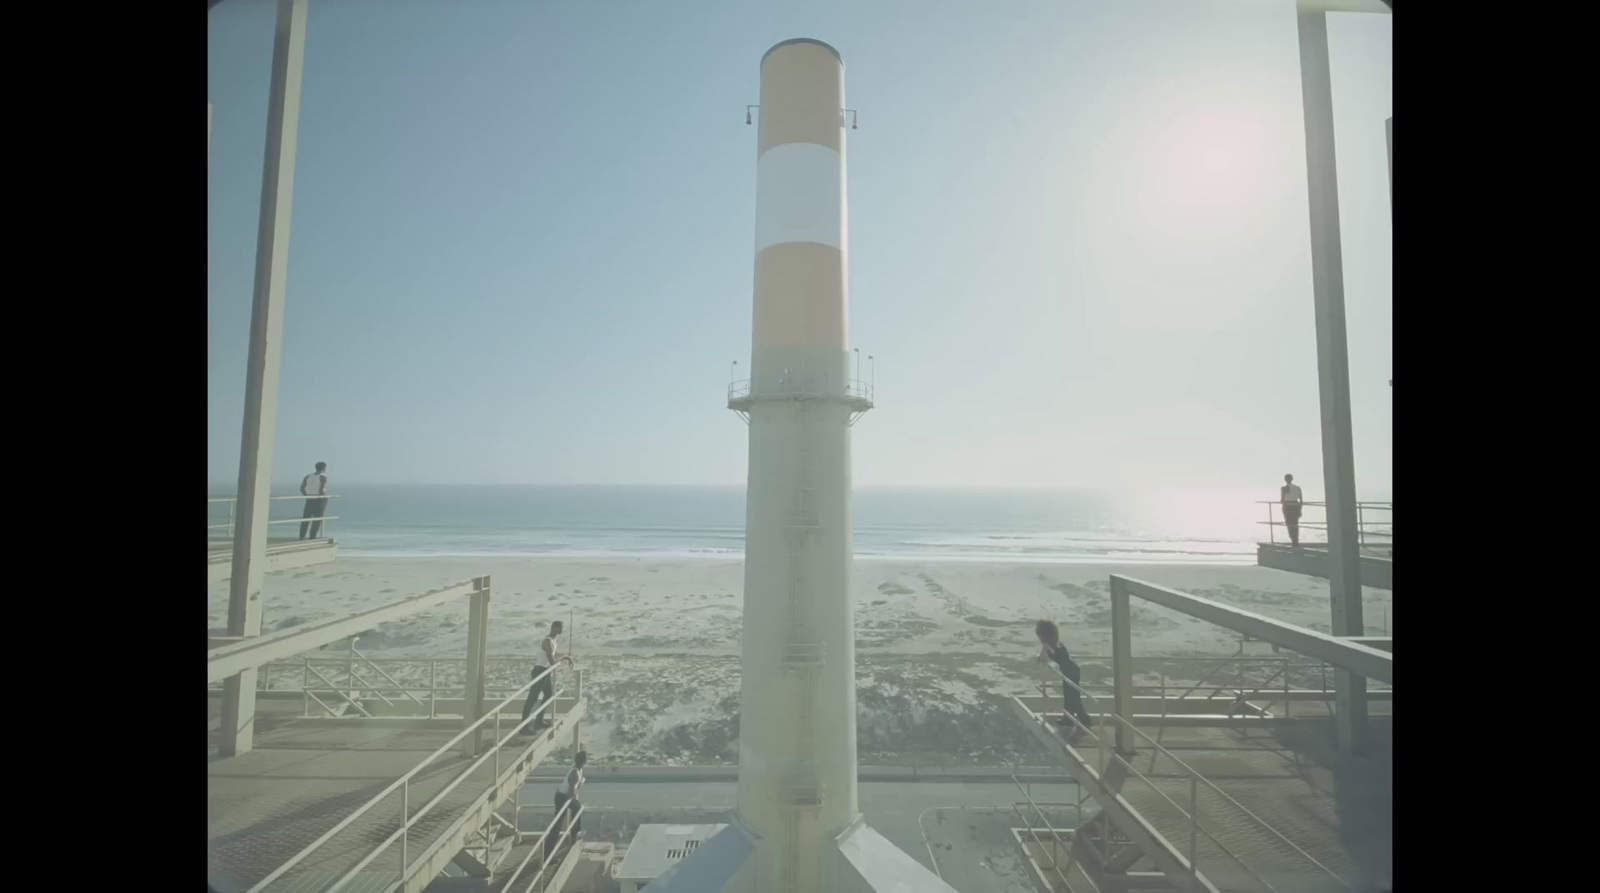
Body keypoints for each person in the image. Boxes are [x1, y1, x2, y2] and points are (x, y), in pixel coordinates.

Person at [1035, 620, 1092, 738]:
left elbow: (1042, 658)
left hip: (1070, 671)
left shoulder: (1048, 645)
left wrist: (1041, 655)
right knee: (1069, 695)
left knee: (1073, 697)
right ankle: (1068, 718)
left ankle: (1085, 719)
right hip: (1070, 670)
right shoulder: (1056, 644)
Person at [522, 621, 574, 733]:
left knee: (548, 694)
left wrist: (566, 657)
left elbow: (555, 655)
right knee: (532, 699)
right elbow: (552, 661)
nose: (561, 631)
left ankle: (539, 721)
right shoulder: (547, 641)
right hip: (539, 671)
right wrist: (562, 659)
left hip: (545, 672)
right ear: (554, 628)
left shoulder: (554, 641)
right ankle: (523, 727)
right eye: (560, 628)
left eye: (562, 628)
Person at [547, 750, 586, 861]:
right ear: (584, 761)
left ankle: (575, 834)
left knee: (577, 808)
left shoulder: (578, 769)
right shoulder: (575, 773)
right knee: (557, 825)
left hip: (561, 795)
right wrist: (580, 784)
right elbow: (570, 794)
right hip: (562, 797)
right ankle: (548, 855)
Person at [299, 462, 329, 540]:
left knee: (306, 518)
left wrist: (307, 495)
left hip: (309, 499)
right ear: (323, 468)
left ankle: (302, 536)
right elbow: (321, 489)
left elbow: (302, 488)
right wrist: (324, 497)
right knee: (317, 519)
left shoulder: (308, 476)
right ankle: (312, 537)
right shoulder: (323, 477)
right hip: (319, 500)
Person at [1280, 473, 1304, 546]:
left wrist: (1283, 507)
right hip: (1296, 505)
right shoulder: (1298, 487)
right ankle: (1296, 540)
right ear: (1292, 479)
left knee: (1289, 523)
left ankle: (1293, 540)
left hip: (1288, 506)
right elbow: (1301, 500)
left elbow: (1282, 499)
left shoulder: (1284, 488)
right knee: (1295, 523)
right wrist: (1300, 510)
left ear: (1285, 479)